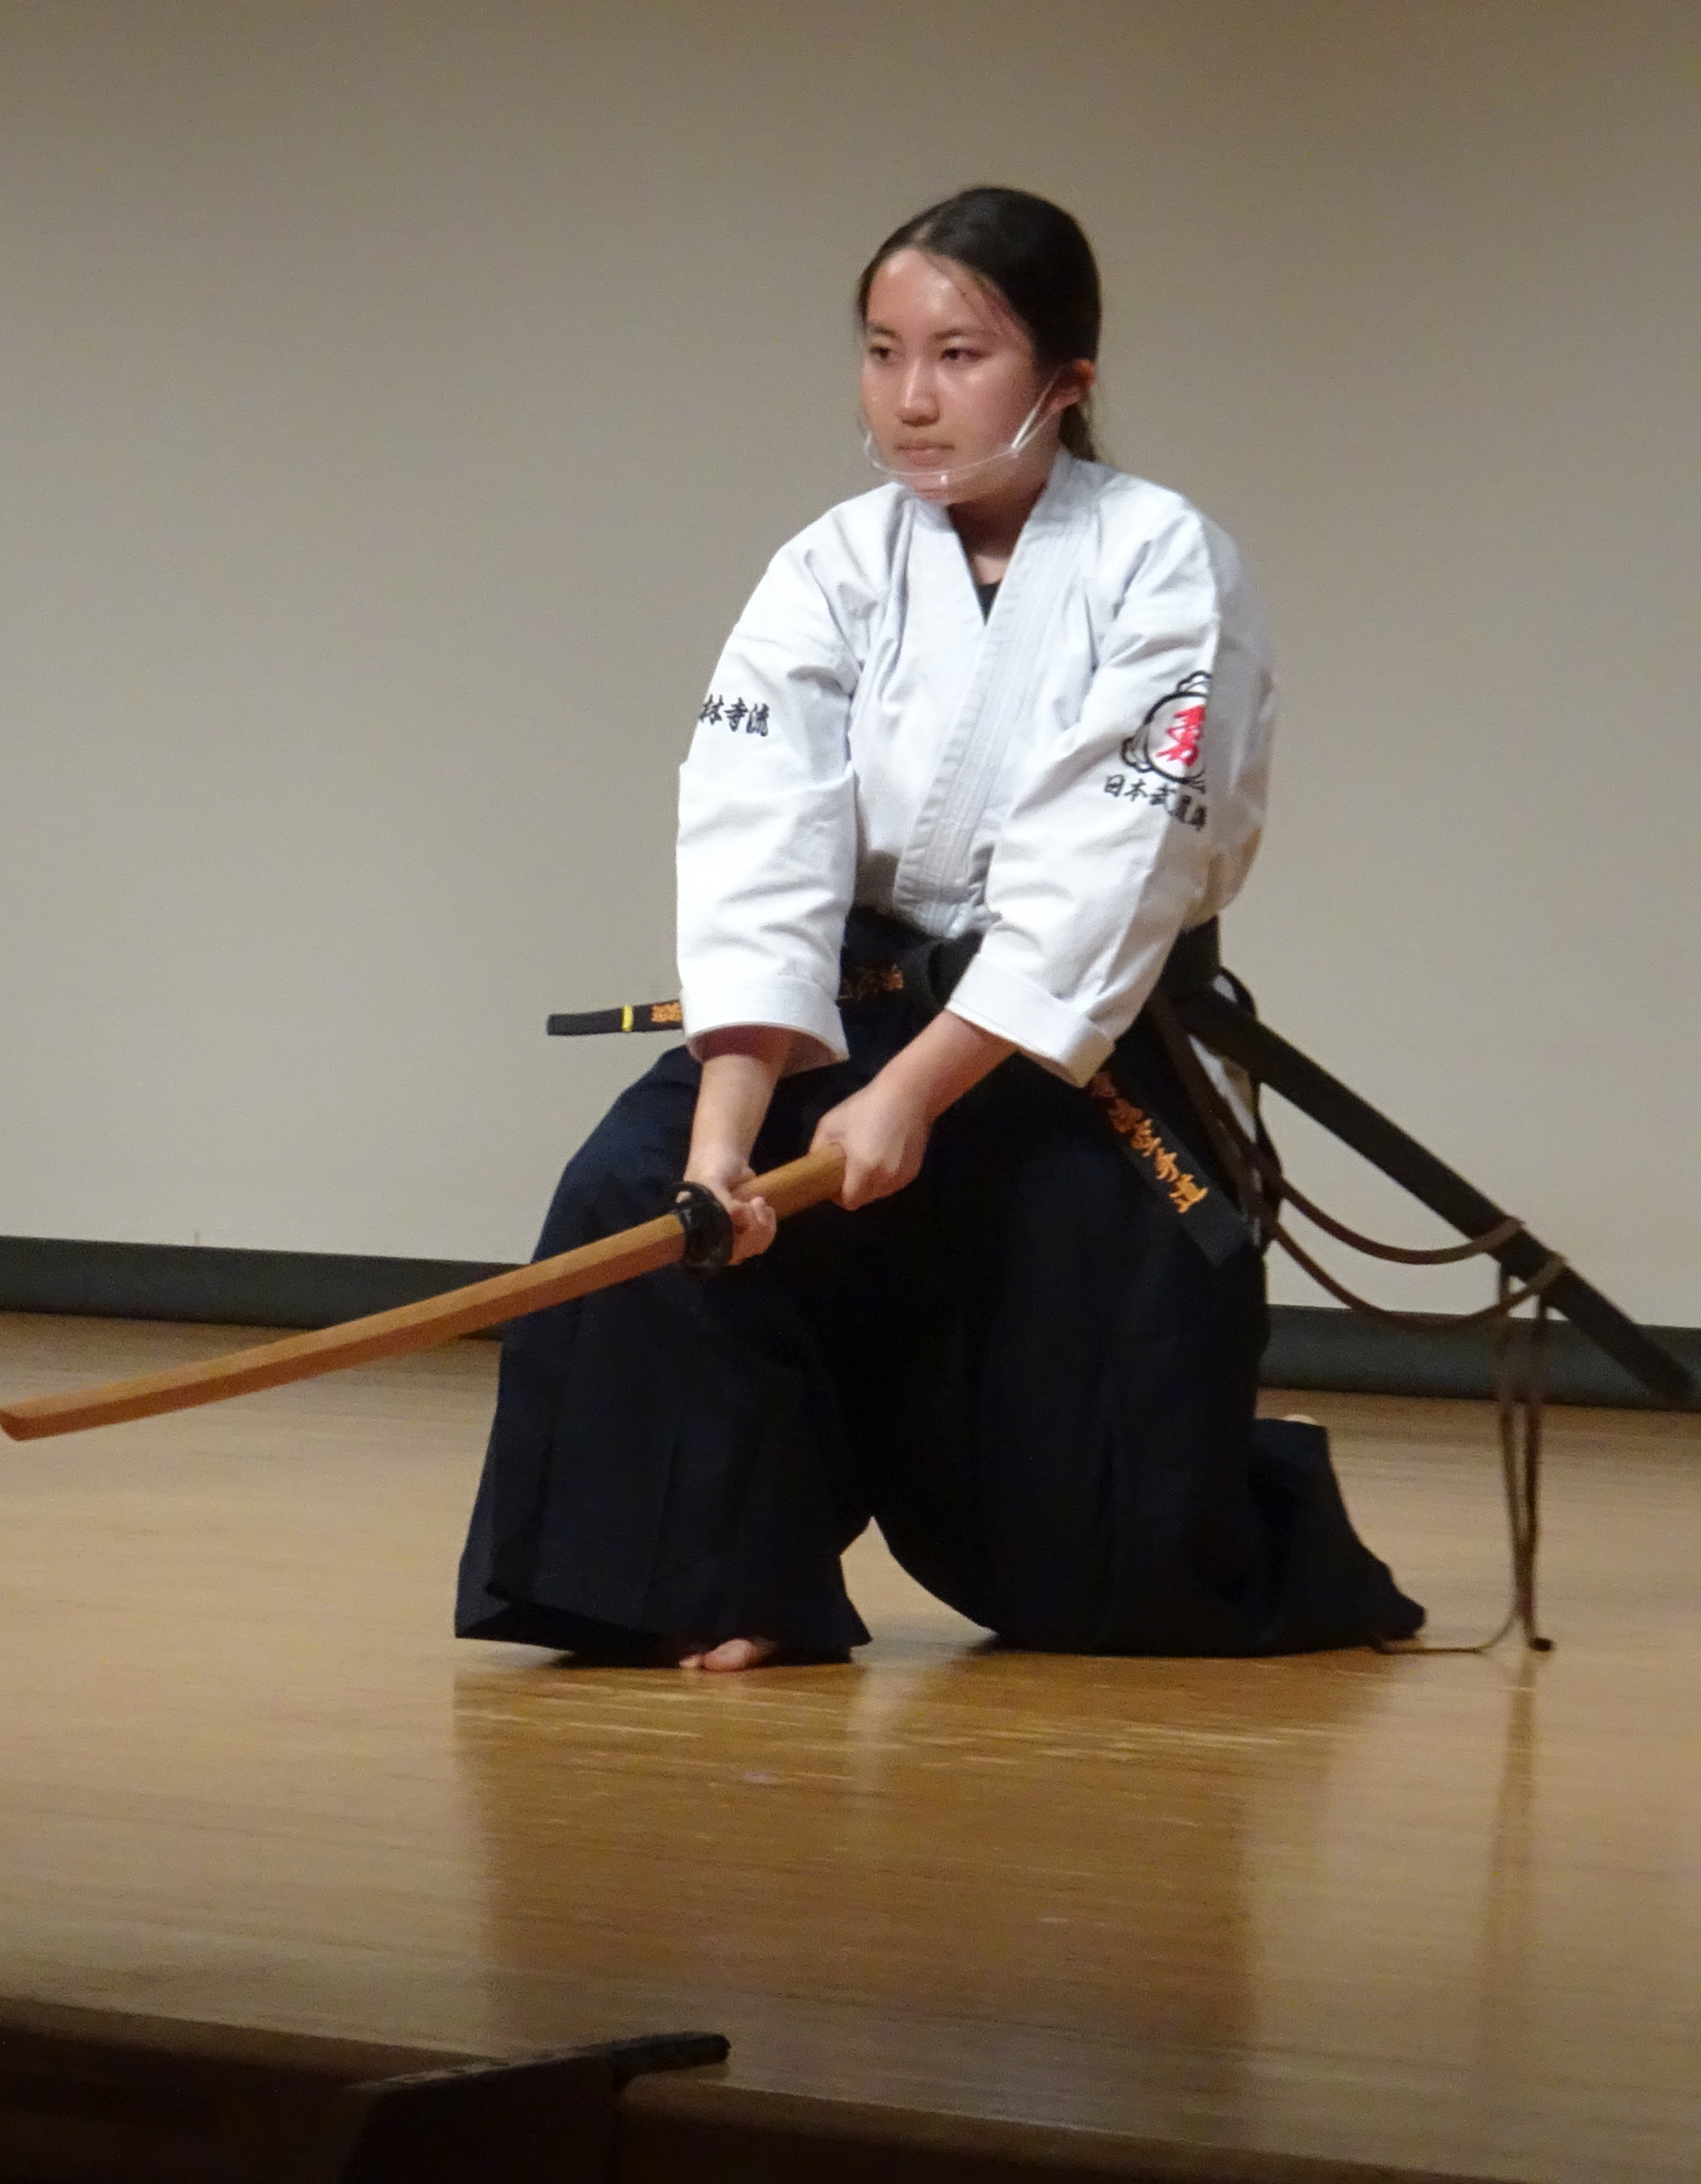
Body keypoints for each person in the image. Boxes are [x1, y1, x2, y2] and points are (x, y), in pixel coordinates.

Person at [456, 187, 1418, 1668]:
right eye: (883, 350)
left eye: (960, 355)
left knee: (1109, 1555)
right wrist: (727, 1132)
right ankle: (725, 1581)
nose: (910, 398)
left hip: (1066, 1050)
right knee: (638, 1200)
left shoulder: (1163, 562)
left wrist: (913, 1096)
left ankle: (1249, 1523)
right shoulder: (833, 566)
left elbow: (1112, 874)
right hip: (843, 1014)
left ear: (1067, 381)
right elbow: (760, 840)